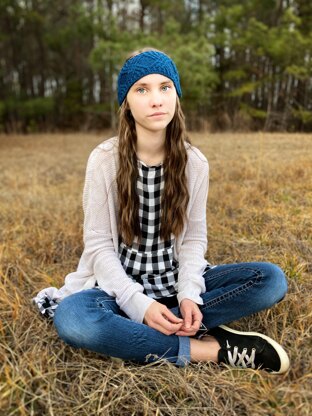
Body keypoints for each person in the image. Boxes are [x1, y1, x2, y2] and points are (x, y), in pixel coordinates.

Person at [33, 48, 290, 373]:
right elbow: (98, 246)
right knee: (74, 320)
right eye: (142, 89)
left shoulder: (194, 163)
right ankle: (208, 348)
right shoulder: (104, 160)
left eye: (165, 87)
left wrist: (189, 296)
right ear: (127, 102)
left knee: (270, 279)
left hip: (173, 283)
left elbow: (194, 238)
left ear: (177, 95)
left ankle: (154, 328)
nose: (156, 99)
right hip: (118, 291)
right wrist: (138, 304)